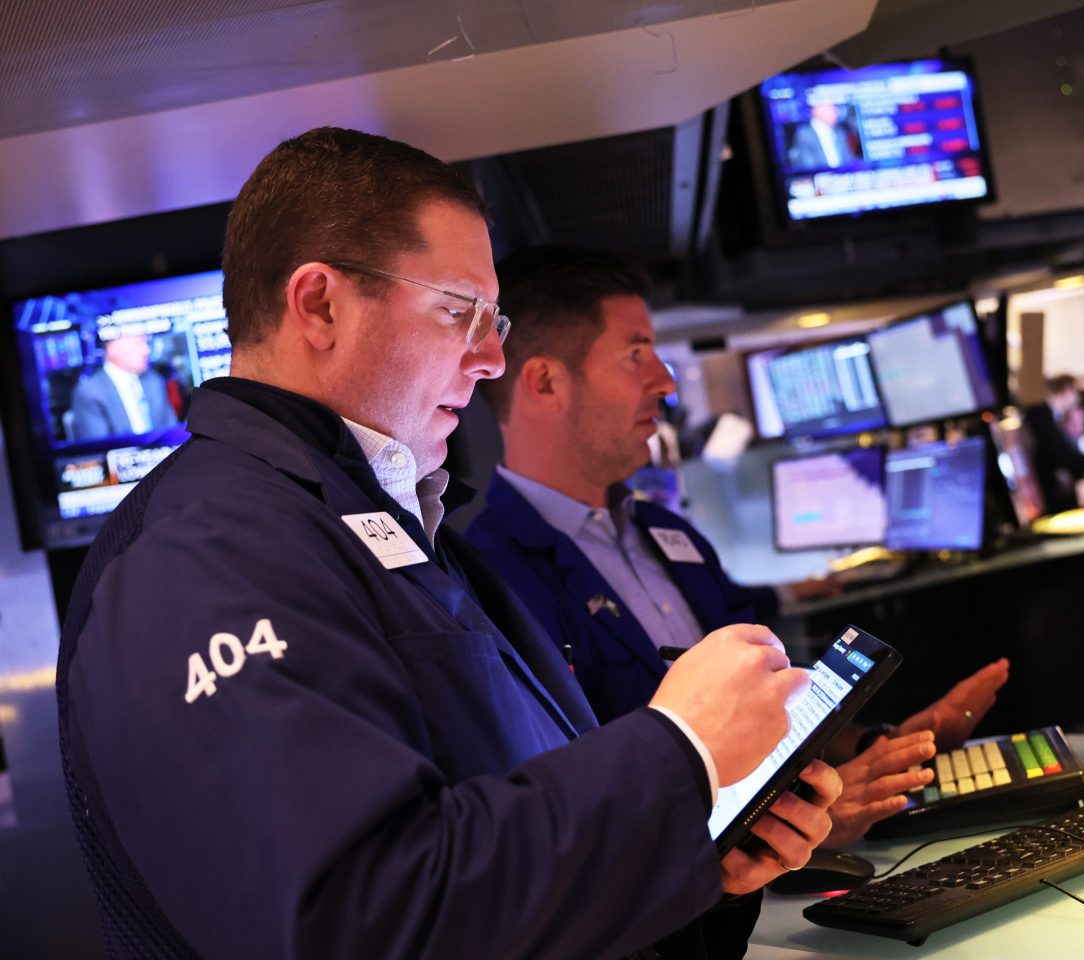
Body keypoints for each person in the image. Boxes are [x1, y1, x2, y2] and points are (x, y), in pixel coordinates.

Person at [57, 128, 842, 960]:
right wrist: (677, 754)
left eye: (493, 319)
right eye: (459, 311)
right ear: (319, 304)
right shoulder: (202, 552)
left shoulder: (391, 522)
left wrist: (700, 863)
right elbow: (365, 921)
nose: (495, 358)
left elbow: (501, 851)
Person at [457, 243, 1010, 849]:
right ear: (544, 382)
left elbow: (767, 710)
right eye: (635, 354)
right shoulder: (488, 579)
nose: (665, 381)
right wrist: (781, 824)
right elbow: (575, 807)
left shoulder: (673, 538)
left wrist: (881, 745)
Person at [69, 332, 179, 438]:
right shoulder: (90, 392)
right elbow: (96, 450)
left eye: (146, 343)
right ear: (113, 349)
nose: (147, 350)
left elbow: (172, 432)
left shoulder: (154, 381)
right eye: (138, 343)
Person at [1023, 374, 1084, 515]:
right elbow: (1060, 451)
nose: (1077, 398)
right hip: (1049, 495)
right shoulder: (1040, 413)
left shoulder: (1048, 414)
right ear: (1067, 390)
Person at [787, 101, 857, 170]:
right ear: (817, 110)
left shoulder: (840, 133)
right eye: (831, 108)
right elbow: (808, 167)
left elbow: (848, 161)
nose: (836, 112)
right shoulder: (804, 135)